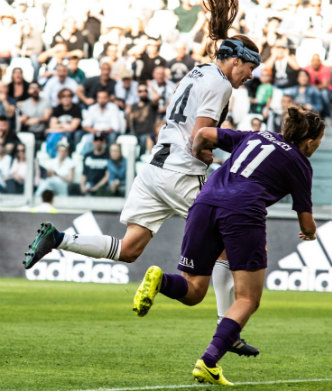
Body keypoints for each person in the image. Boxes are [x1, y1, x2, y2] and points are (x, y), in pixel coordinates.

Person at [24, 1, 262, 356]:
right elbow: (200, 136)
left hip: (153, 170)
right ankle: (226, 330)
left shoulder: (197, 72)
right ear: (236, 61)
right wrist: (212, 153)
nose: (250, 75)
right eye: (250, 67)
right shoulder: (221, 85)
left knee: (129, 248)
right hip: (181, 174)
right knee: (229, 243)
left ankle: (58, 239)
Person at [132, 105, 324, 386]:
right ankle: (208, 362)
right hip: (243, 212)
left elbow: (205, 133)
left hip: (204, 203)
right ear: (309, 141)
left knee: (194, 289)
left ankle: (160, 281)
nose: (318, 146)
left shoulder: (256, 136)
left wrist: (200, 152)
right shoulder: (300, 163)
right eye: (319, 141)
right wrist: (312, 233)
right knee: (248, 298)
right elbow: (306, 223)